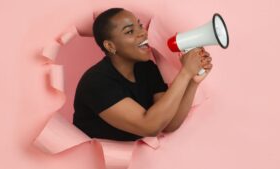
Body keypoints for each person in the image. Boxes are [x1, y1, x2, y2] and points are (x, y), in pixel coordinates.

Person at [73, 8, 212, 141]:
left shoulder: (146, 69)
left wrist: (193, 81)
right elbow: (149, 127)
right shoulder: (96, 83)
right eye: (129, 31)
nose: (143, 33)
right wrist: (185, 72)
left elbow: (169, 124)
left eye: (140, 26)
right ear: (110, 46)